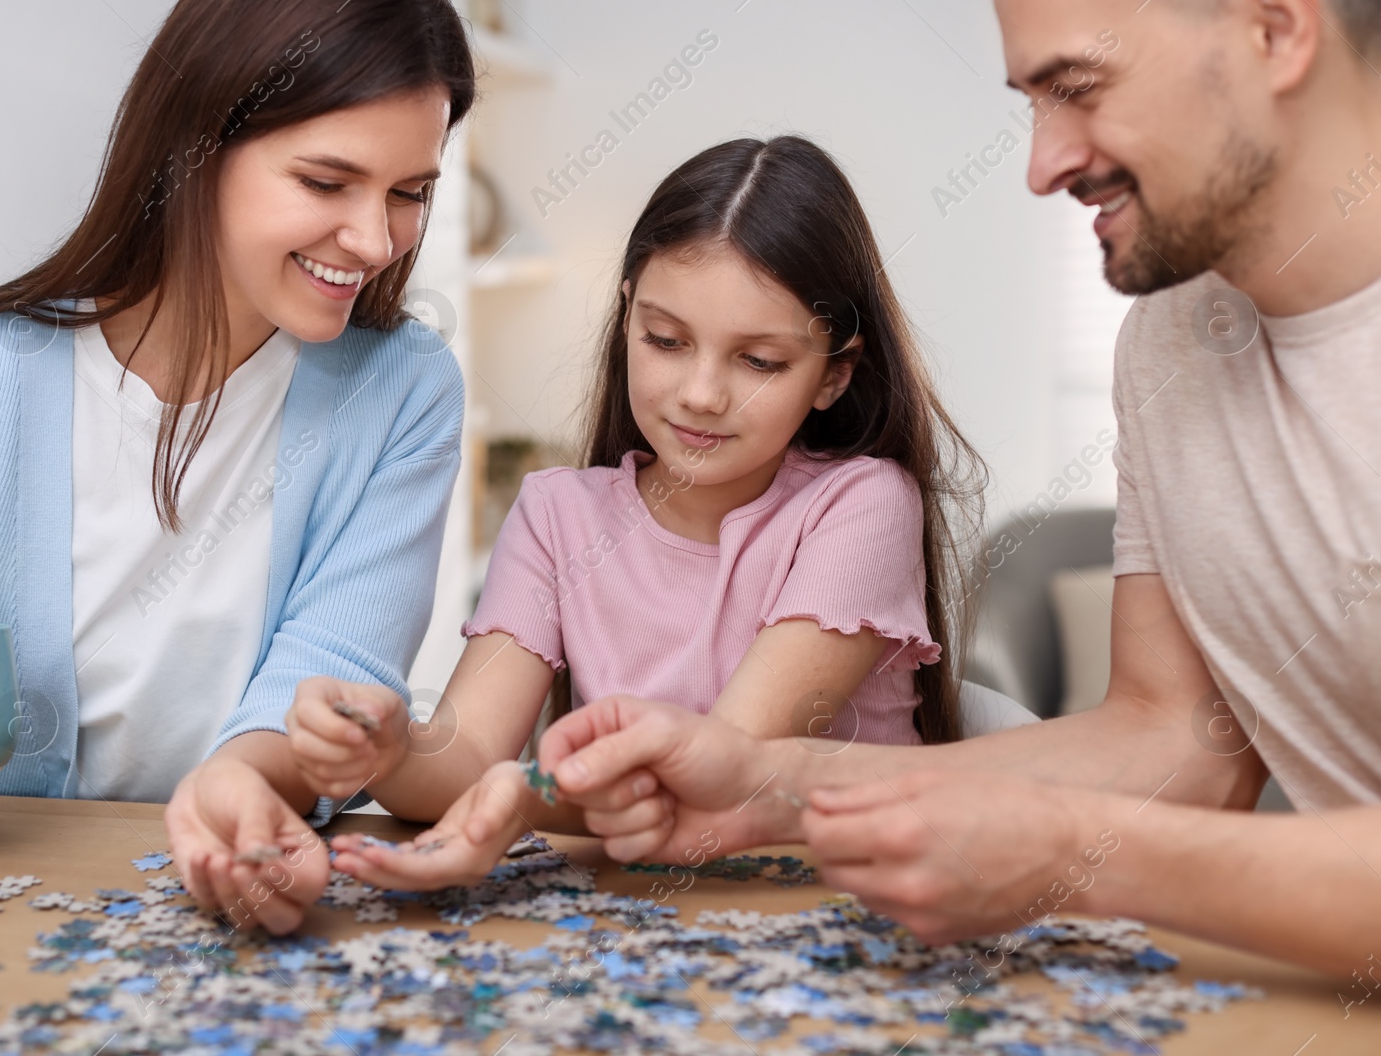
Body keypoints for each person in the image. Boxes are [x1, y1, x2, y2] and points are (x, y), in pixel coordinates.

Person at [537, 0, 1381, 983]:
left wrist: (1069, 851)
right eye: (1030, 103)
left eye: (1078, 88)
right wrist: (769, 784)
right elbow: (1175, 742)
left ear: (1274, 26)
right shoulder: (1172, 342)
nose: (1041, 166)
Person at [0, 0, 475, 934]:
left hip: (239, 886)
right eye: (328, 183)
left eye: (410, 193)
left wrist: (235, 785)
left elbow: (337, 663)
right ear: (194, 149)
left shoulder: (405, 390)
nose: (375, 241)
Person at [282, 135, 985, 894]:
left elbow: (720, 768)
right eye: (666, 340)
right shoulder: (557, 516)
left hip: (831, 907)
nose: (701, 393)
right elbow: (464, 759)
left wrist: (523, 795)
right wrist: (388, 747)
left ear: (834, 373)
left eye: (759, 361)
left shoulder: (864, 504)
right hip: (633, 920)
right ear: (626, 318)